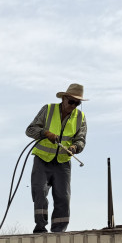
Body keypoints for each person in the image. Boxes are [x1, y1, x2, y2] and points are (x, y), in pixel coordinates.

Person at [25, 83, 88, 233]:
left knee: (63, 198)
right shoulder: (48, 109)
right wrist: (45, 133)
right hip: (42, 159)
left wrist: (74, 148)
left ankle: (59, 232)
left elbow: (81, 140)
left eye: (77, 103)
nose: (73, 105)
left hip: (63, 163)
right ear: (64, 98)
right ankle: (40, 228)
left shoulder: (80, 117)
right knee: (39, 192)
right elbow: (30, 130)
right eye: (71, 101)